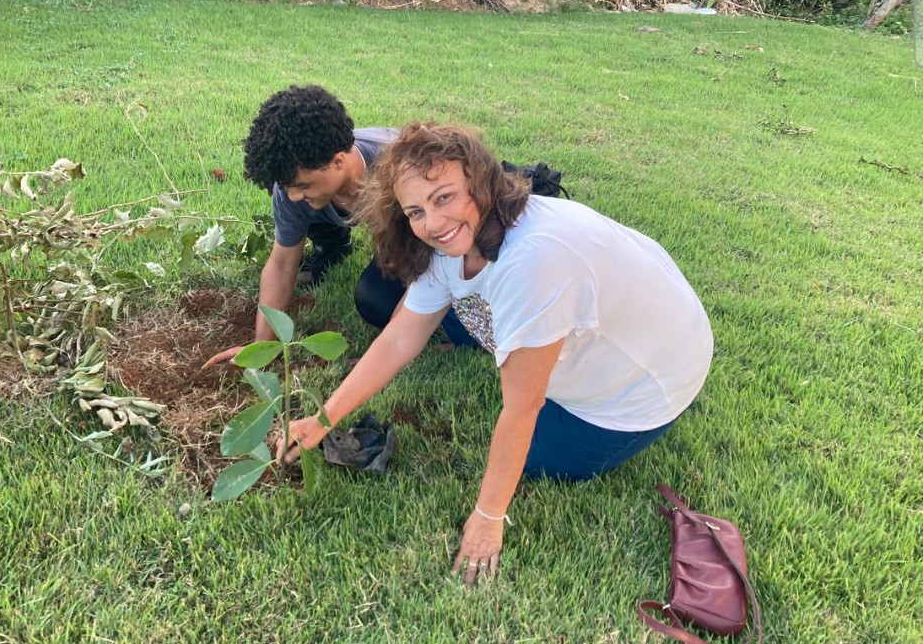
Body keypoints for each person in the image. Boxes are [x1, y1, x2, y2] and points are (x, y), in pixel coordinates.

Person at [278, 123, 714, 586]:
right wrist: (323, 418)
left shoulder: (533, 262)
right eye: (415, 211)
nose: (433, 223)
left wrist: (488, 517)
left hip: (647, 388)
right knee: (465, 319)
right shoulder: (450, 244)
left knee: (538, 456)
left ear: (481, 180)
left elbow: (523, 406)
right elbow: (400, 339)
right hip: (638, 315)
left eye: (445, 197)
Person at [203, 87, 475, 369]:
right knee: (303, 207)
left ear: (338, 161)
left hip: (436, 233)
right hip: (363, 215)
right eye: (287, 186)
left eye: (302, 185)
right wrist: (262, 346)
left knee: (377, 300)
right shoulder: (291, 191)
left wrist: (387, 354)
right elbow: (282, 263)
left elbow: (428, 263)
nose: (292, 195)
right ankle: (333, 243)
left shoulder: (400, 176)